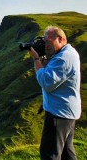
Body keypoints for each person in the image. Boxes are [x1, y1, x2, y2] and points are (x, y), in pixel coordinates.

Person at [28, 26, 81, 160]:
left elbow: (46, 82)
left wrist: (36, 60)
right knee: (66, 154)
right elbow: (54, 71)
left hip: (59, 113)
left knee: (49, 154)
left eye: (48, 42)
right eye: (44, 42)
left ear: (61, 39)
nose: (46, 46)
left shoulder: (64, 57)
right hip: (66, 112)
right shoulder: (66, 53)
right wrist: (44, 61)